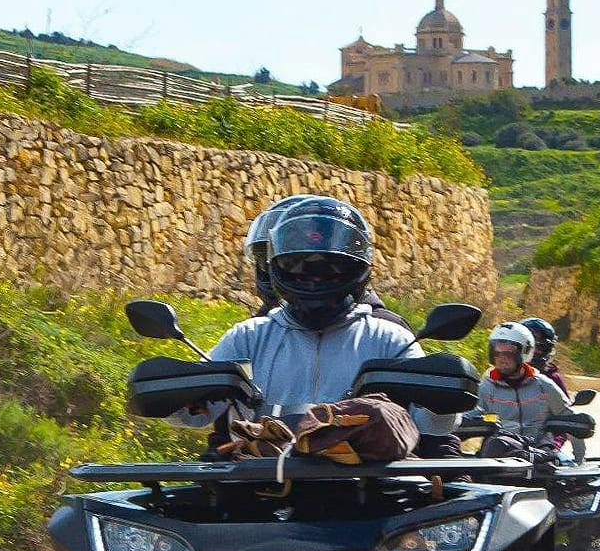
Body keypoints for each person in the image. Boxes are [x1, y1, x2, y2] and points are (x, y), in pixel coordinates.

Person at [173, 196, 457, 447]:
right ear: (277, 265)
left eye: (329, 267)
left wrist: (441, 402)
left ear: (358, 267)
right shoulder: (248, 336)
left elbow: (433, 426)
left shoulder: (390, 338)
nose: (314, 276)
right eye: (300, 266)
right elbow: (190, 415)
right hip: (258, 482)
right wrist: (174, 392)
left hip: (368, 488)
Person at [245, 196, 410, 329]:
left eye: (295, 260)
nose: (303, 272)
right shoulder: (254, 332)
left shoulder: (384, 332)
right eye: (263, 259)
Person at [477, 320, 573, 459]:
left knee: (566, 464)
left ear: (525, 352)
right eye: (497, 353)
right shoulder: (487, 384)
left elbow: (569, 419)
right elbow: (473, 415)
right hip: (499, 451)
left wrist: (575, 457)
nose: (502, 359)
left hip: (541, 450)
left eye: (509, 353)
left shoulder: (545, 383)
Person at [520, 316, 569, 395]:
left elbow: (564, 405)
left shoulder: (552, 378)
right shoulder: (501, 375)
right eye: (528, 347)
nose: (534, 351)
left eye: (540, 347)